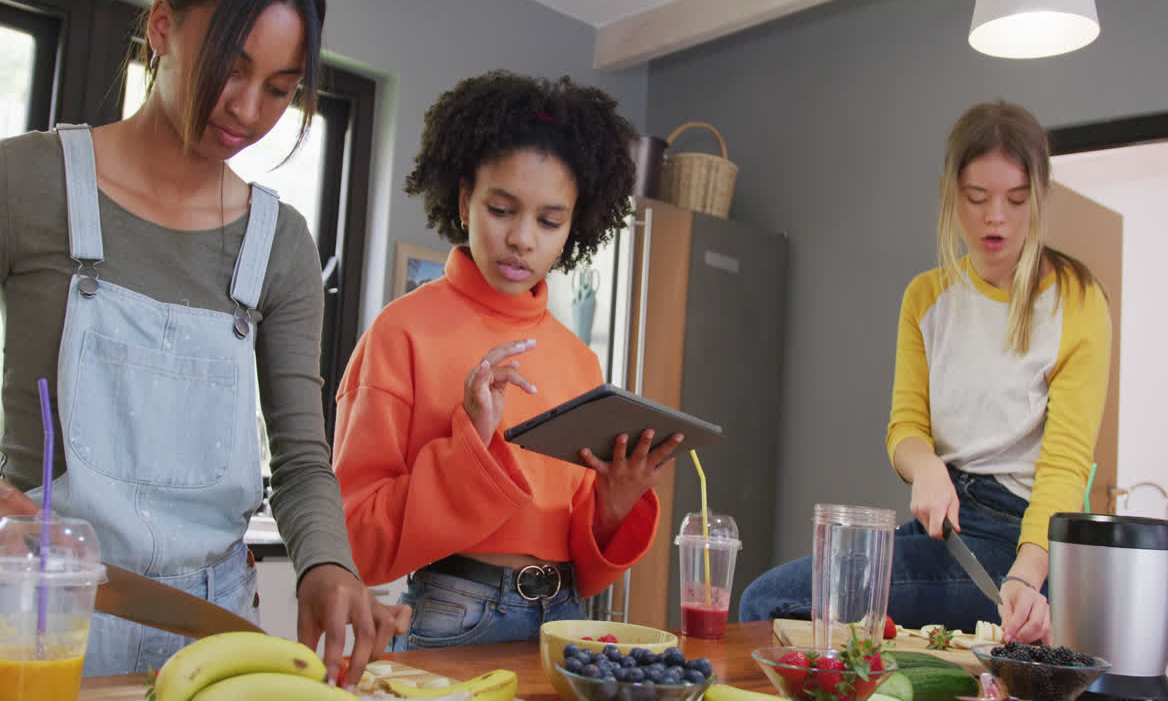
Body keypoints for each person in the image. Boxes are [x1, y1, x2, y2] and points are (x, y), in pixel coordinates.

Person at [0, 0, 406, 688]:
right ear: (162, 26)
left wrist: (327, 563)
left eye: (282, 90)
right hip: (41, 612)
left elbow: (301, 461)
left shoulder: (280, 246)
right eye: (230, 66)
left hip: (210, 622)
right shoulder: (19, 183)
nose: (248, 110)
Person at [332, 70, 683, 650]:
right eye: (501, 209)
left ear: (575, 226)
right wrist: (470, 442)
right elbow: (355, 540)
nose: (523, 238)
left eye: (549, 221)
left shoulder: (578, 361)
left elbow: (586, 560)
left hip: (566, 621)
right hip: (452, 616)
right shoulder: (402, 333)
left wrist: (613, 508)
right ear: (465, 197)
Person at [738, 100, 1110, 644]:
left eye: (1016, 199)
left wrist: (1026, 579)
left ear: (1041, 198)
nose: (996, 217)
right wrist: (927, 466)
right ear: (950, 195)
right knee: (799, 614)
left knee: (769, 601)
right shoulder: (927, 297)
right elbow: (905, 427)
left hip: (1018, 542)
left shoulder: (1076, 300)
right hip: (948, 527)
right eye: (976, 198)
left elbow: (1065, 467)